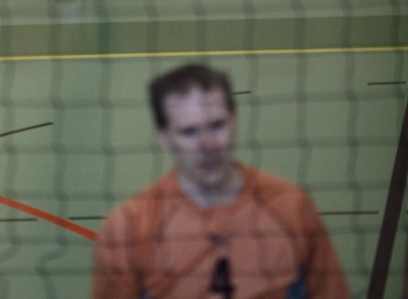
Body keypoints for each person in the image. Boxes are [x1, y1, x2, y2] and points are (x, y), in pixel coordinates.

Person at [92, 63, 351, 299]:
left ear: (234, 121)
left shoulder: (291, 207)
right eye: (189, 132)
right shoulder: (129, 228)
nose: (208, 145)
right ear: (164, 138)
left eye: (216, 125)